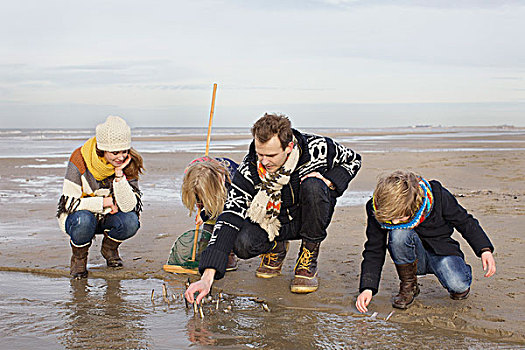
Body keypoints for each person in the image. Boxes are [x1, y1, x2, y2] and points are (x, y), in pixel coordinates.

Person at [185, 113, 361, 303]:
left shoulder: (318, 148)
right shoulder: (249, 168)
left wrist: (330, 181)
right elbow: (229, 216)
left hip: (307, 217)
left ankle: (308, 256)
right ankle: (275, 247)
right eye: (260, 154)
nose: (264, 161)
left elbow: (353, 160)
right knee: (242, 244)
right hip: (273, 221)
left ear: (289, 147)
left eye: (271, 155)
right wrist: (206, 277)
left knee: (314, 185)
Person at [356, 170, 496, 313]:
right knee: (398, 233)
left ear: (414, 205)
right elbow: (374, 248)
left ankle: (459, 273)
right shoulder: (377, 208)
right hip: (413, 258)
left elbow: (465, 222)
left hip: (443, 252)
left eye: (400, 217)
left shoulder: (437, 195)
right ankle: (409, 286)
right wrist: (368, 288)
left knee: (458, 286)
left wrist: (484, 250)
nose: (394, 222)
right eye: (390, 219)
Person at [57, 116, 144, 279]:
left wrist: (119, 175)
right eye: (115, 152)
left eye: (125, 151)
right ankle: (79, 258)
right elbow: (69, 204)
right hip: (80, 218)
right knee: (84, 220)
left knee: (131, 221)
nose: (121, 157)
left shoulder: (127, 163)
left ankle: (109, 248)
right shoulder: (79, 159)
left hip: (108, 218)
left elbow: (130, 206)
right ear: (102, 149)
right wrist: (105, 202)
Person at [181, 156, 239, 270]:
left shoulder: (230, 182)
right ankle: (205, 248)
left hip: (227, 199)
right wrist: (200, 204)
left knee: (223, 225)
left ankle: (229, 253)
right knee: (208, 230)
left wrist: (204, 215)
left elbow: (227, 208)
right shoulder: (192, 175)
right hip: (210, 187)